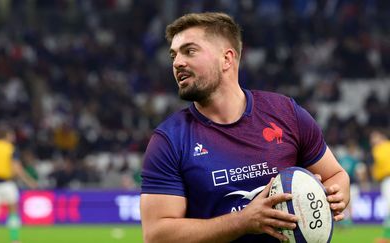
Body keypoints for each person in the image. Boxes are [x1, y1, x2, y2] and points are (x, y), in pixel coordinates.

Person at [140, 12, 350, 243]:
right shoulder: (169, 139)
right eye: (174, 54)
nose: (177, 62)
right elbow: (157, 235)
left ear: (227, 59)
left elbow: (336, 175)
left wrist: (336, 193)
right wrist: (243, 221)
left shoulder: (285, 113)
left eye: (189, 51)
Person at [369, 129, 390, 243]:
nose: (372, 141)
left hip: (388, 179)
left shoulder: (379, 149)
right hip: (385, 180)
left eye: (374, 138)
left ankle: (386, 236)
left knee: (389, 208)